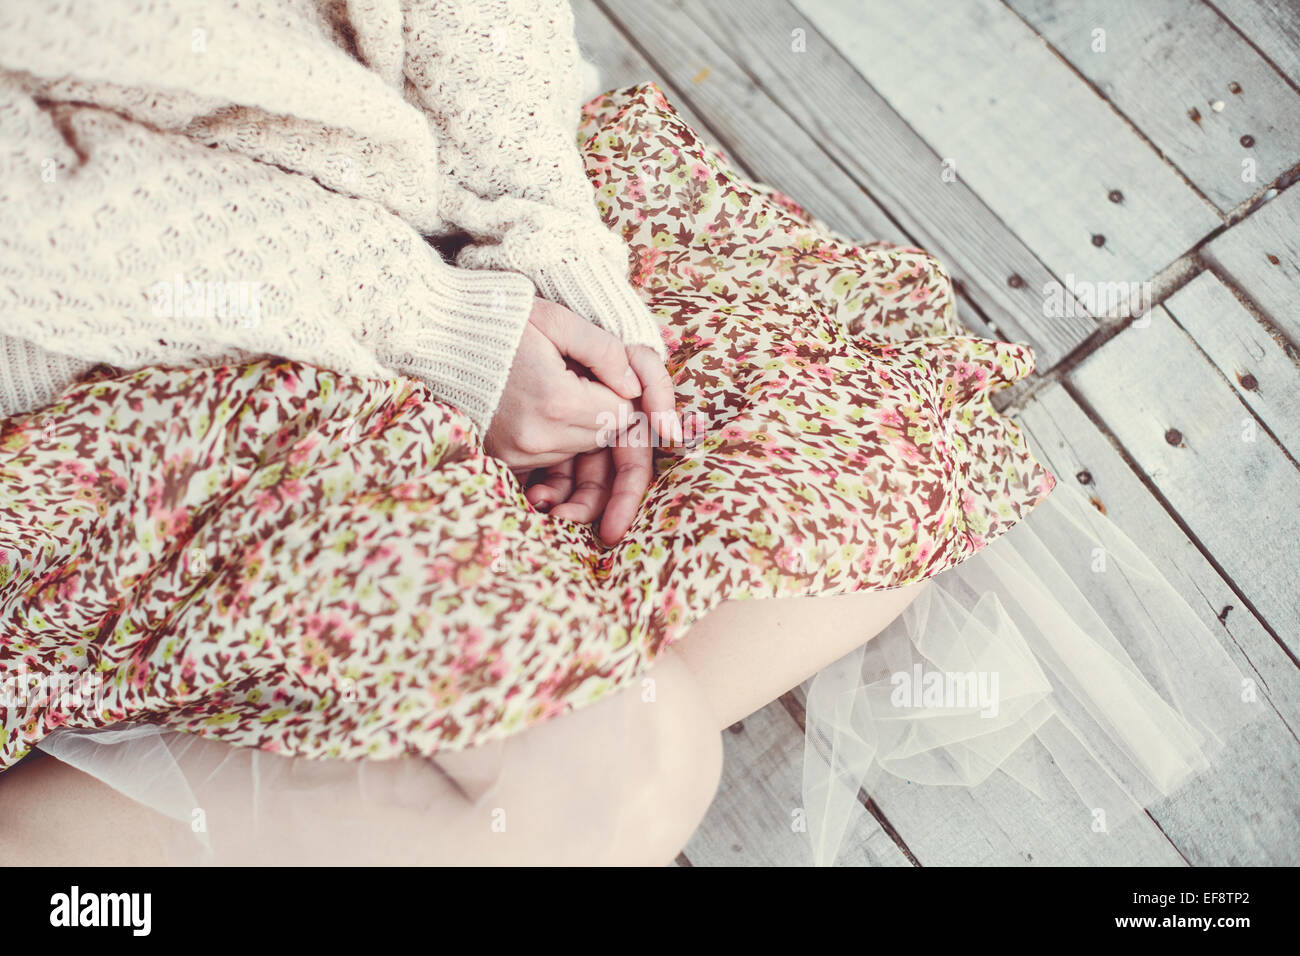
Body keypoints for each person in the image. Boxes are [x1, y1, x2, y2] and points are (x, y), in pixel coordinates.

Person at [0, 1, 1251, 866]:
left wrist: (545, 244)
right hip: (123, 336)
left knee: (872, 455)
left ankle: (360, 788)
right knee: (622, 768)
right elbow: (41, 213)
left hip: (415, 199)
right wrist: (436, 327)